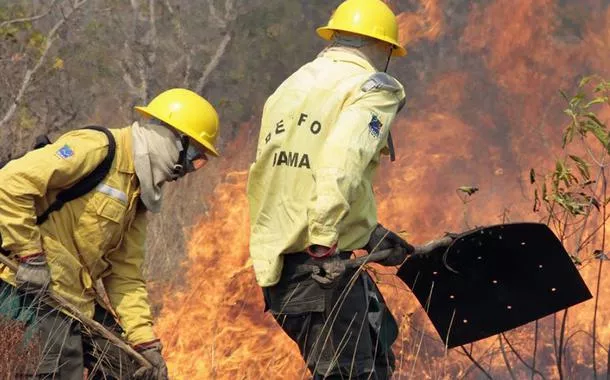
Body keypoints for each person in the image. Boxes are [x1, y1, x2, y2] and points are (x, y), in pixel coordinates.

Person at [246, 0, 452, 378]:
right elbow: (344, 161)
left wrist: (368, 232)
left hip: (283, 271)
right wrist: (324, 239)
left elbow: (290, 179)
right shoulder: (372, 86)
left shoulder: (289, 88)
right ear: (381, 48)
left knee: (375, 362)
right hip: (321, 268)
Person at [0, 88, 220, 379]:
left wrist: (145, 342)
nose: (191, 168)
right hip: (27, 287)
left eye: (200, 161)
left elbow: (124, 274)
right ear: (171, 136)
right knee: (61, 368)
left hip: (75, 299)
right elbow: (10, 184)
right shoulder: (97, 149)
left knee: (129, 370)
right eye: (194, 155)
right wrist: (30, 256)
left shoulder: (138, 193)